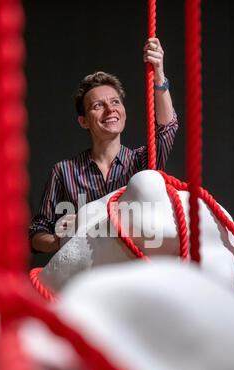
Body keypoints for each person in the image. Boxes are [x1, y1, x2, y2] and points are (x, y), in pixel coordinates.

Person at [29, 38, 178, 254]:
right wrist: (57, 240)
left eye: (116, 102)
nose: (110, 110)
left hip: (134, 274)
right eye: (98, 105)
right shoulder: (63, 172)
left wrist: (159, 73)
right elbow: (36, 233)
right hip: (87, 279)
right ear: (83, 121)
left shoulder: (142, 162)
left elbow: (167, 129)